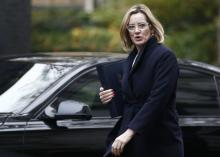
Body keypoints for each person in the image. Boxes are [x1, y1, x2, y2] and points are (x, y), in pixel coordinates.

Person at [99, 4, 184, 157]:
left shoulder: (164, 56)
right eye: (131, 27)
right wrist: (111, 97)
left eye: (141, 25)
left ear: (151, 28)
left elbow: (157, 100)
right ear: (127, 32)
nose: (136, 30)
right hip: (133, 137)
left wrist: (129, 132)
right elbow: (133, 98)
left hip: (159, 141)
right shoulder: (131, 59)